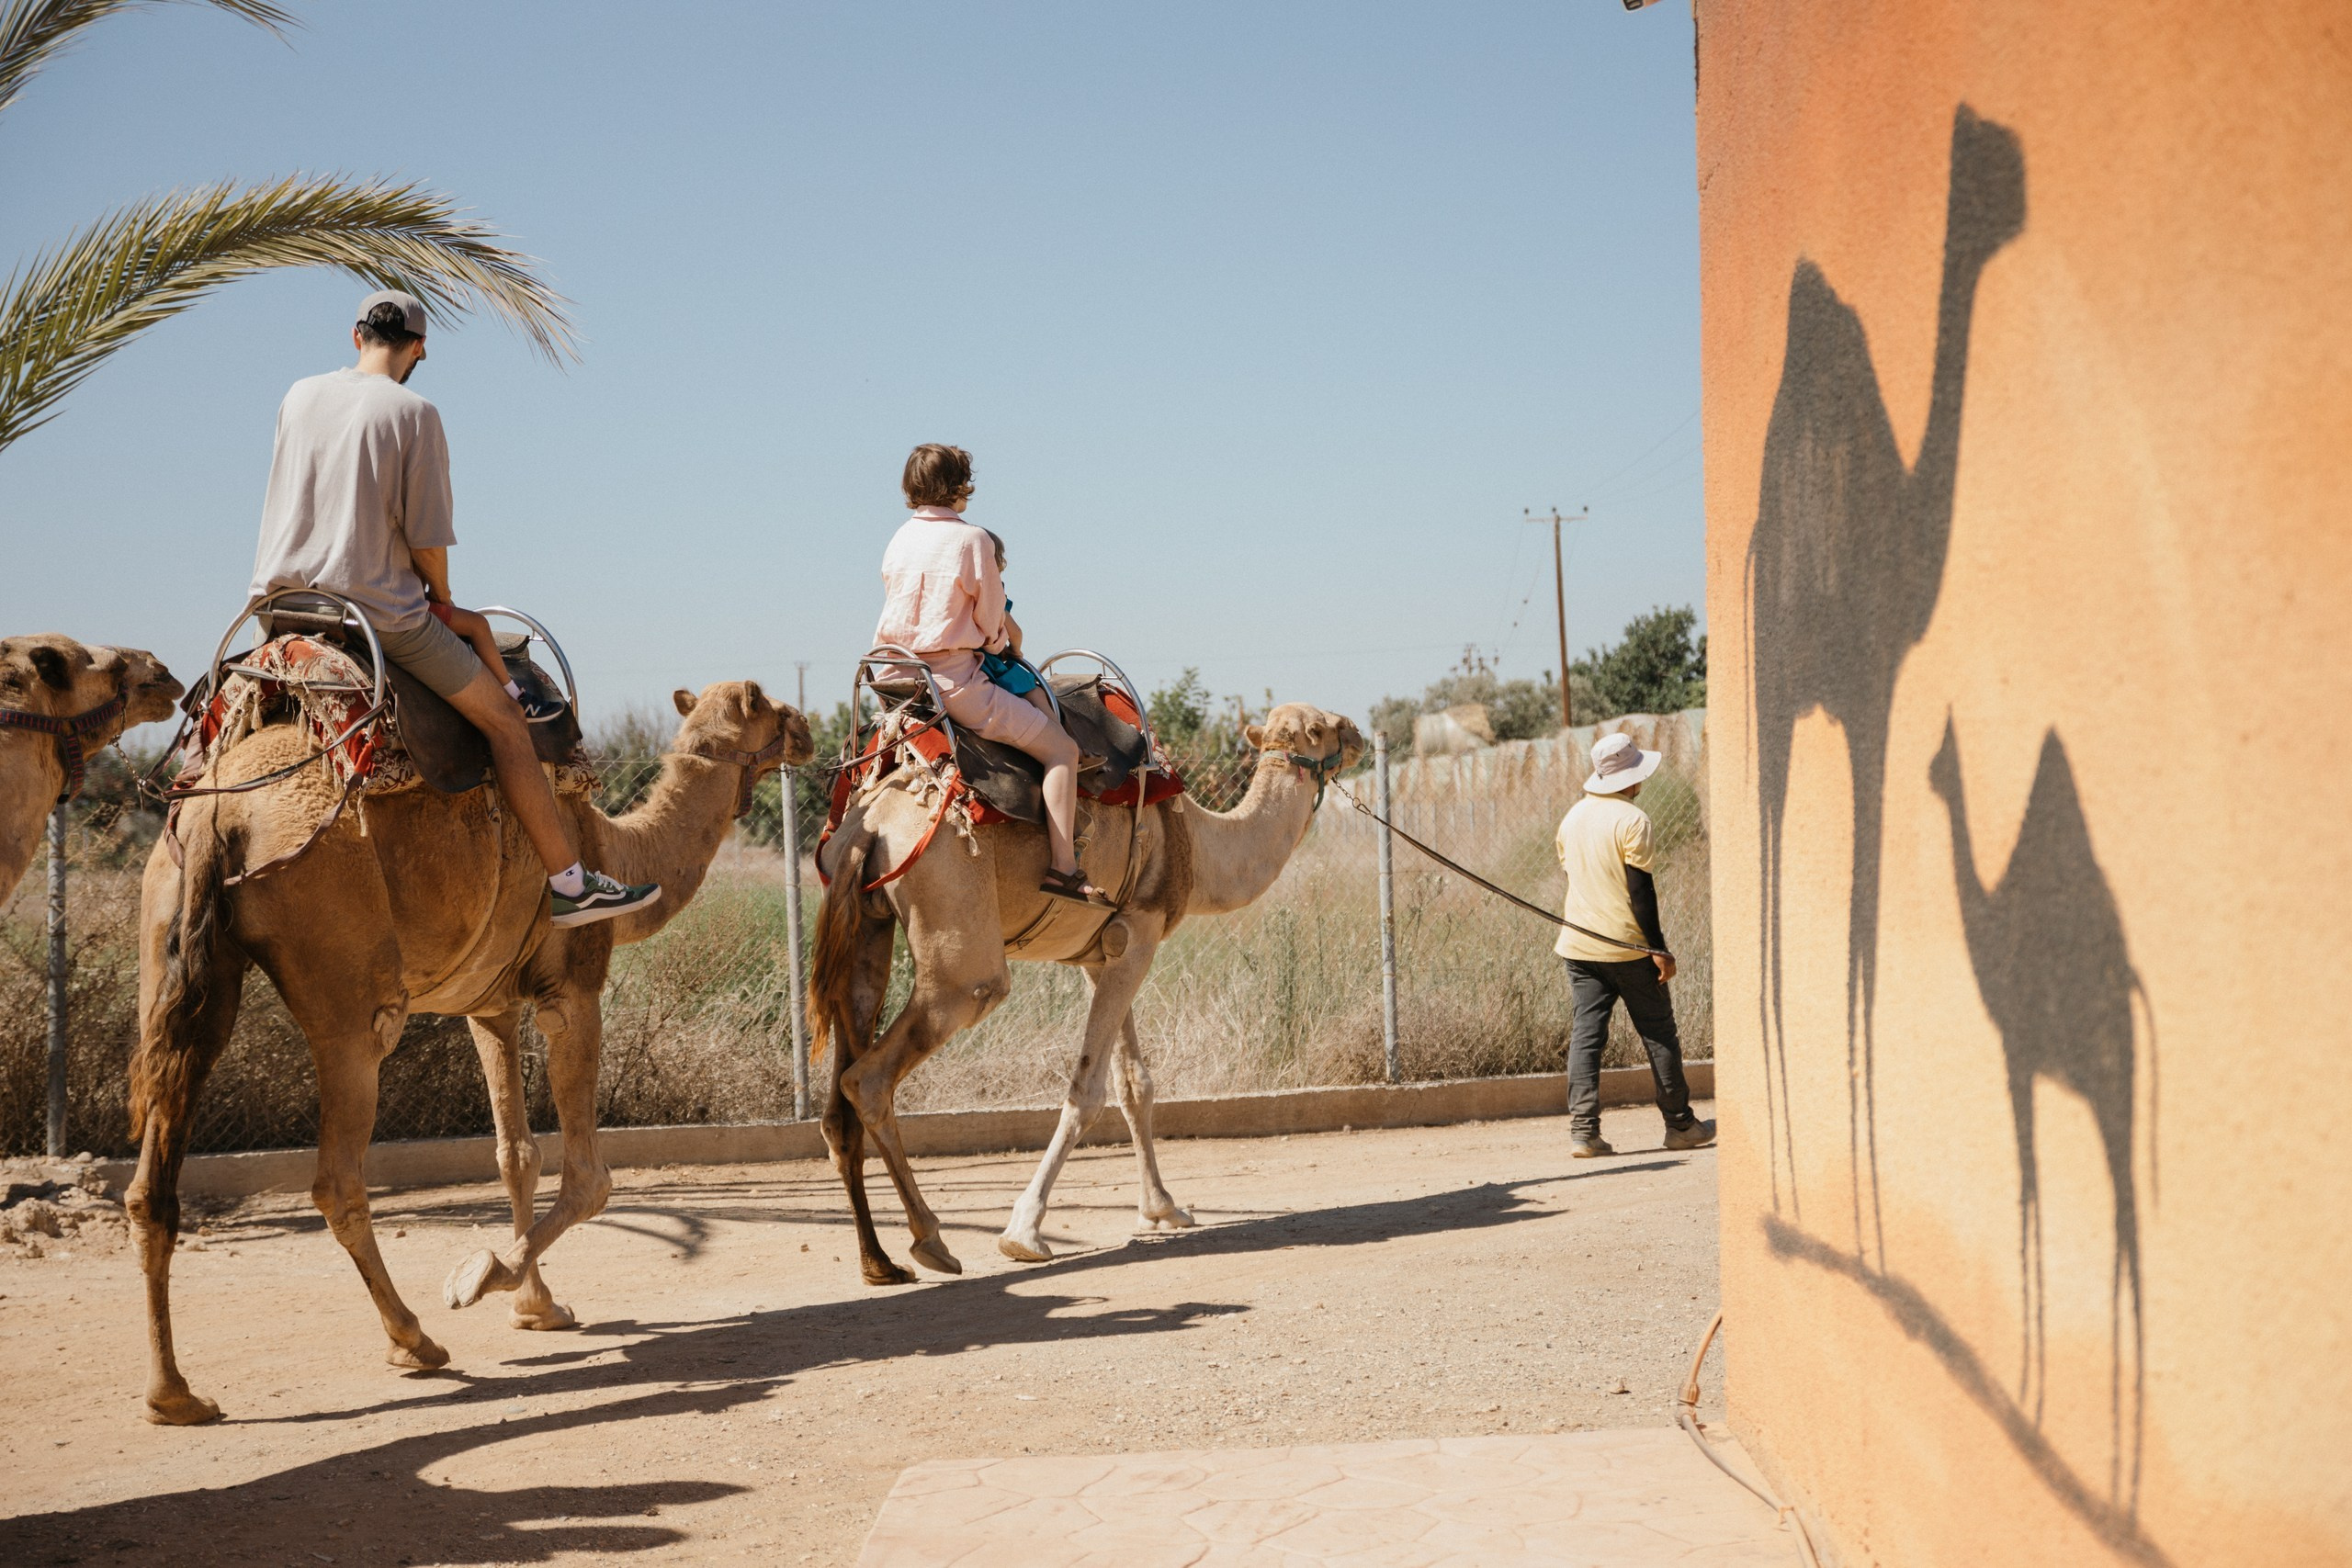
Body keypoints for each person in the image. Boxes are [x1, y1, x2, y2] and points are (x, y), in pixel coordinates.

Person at [247, 289, 658, 929]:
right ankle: (571, 885)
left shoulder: (297, 396)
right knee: (504, 723)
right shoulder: (414, 412)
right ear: (418, 349)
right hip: (375, 614)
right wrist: (442, 602)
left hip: (280, 609)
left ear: (356, 337)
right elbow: (428, 544)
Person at [874, 444, 1109, 905]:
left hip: (891, 679)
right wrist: (1004, 646)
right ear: (960, 486)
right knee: (1061, 749)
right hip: (952, 683)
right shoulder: (973, 540)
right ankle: (1064, 869)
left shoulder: (899, 537)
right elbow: (990, 622)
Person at [1554, 731, 1715, 1157]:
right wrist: (1658, 948)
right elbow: (1640, 891)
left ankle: (1584, 1132)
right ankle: (1680, 1124)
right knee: (1659, 1032)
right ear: (1631, 778)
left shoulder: (1572, 818)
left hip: (1578, 946)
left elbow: (1575, 876)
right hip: (1628, 948)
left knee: (1587, 1036)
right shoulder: (1632, 820)